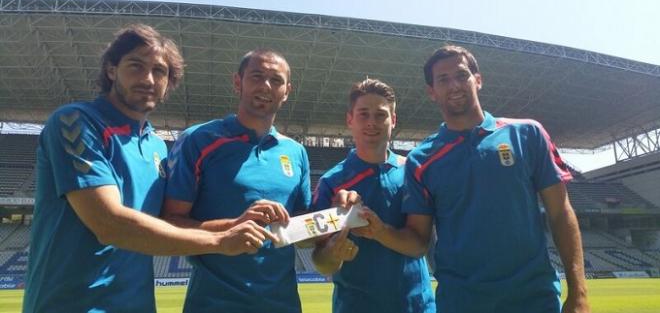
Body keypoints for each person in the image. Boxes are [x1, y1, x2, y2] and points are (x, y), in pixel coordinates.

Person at [22, 24, 275, 313]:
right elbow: (109, 223)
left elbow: (163, 222)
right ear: (111, 69)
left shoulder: (157, 147)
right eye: (136, 66)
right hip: (70, 305)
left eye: (160, 71)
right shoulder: (76, 122)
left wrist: (233, 224)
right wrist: (219, 240)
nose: (148, 78)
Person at [401, 45, 590, 313]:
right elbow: (418, 238)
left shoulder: (527, 134)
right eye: (443, 79)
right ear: (431, 92)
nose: (454, 84)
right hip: (461, 303)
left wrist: (579, 292)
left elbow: (560, 213)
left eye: (461, 75)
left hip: (534, 300)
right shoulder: (420, 160)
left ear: (478, 80)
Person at [162, 49, 312, 313]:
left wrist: (342, 211)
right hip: (213, 304)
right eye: (257, 76)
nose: (266, 85)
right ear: (237, 82)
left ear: (287, 91)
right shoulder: (198, 140)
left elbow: (301, 229)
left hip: (284, 304)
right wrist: (232, 226)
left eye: (276, 80)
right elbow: (169, 222)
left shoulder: (296, 152)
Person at [311, 78, 436, 313]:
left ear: (393, 120)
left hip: (417, 306)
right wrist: (333, 251)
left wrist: (379, 232)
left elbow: (420, 244)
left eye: (380, 115)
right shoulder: (331, 182)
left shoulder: (414, 173)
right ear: (350, 119)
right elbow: (321, 261)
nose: (372, 122)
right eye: (363, 114)